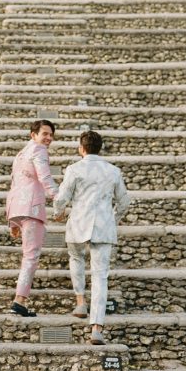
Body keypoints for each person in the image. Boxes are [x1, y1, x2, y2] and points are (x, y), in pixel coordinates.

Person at [52, 129, 130, 345]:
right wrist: (113, 219)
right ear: (100, 148)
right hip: (103, 226)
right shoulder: (113, 171)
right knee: (100, 276)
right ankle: (97, 328)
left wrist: (58, 214)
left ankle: (80, 302)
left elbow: (62, 197)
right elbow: (124, 201)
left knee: (76, 259)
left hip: (79, 222)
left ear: (81, 148)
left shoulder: (74, 169)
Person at [5, 118, 59, 316]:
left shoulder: (20, 154)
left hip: (18, 209)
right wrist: (59, 198)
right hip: (32, 209)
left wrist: (12, 221)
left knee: (28, 255)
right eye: (45, 134)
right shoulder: (39, 151)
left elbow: (15, 184)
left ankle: (20, 301)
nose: (48, 138)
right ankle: (20, 301)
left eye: (51, 135)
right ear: (33, 135)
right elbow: (45, 178)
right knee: (31, 256)